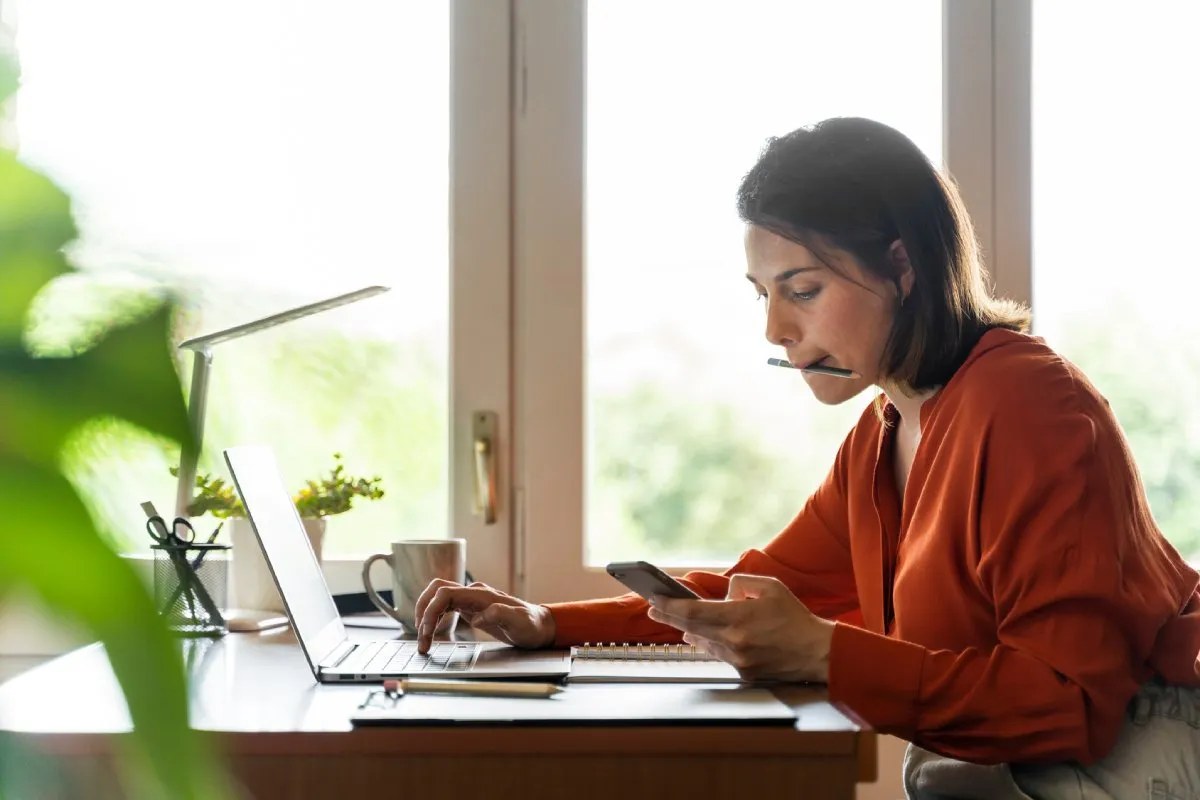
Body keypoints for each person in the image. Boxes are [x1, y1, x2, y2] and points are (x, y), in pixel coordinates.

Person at [414, 117, 1200, 798]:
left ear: (902, 266)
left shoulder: (1027, 405)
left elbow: (1069, 702)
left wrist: (827, 651)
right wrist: (547, 621)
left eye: (803, 289)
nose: (775, 331)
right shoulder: (883, 433)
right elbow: (753, 592)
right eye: (763, 294)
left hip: (1145, 753)